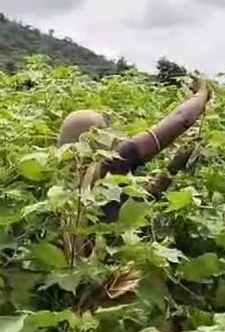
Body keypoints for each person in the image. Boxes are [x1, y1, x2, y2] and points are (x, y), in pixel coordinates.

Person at [57, 76, 212, 260]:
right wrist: (202, 93)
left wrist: (172, 169)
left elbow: (135, 201)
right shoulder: (108, 165)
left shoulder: (62, 187)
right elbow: (181, 119)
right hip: (116, 273)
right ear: (95, 138)